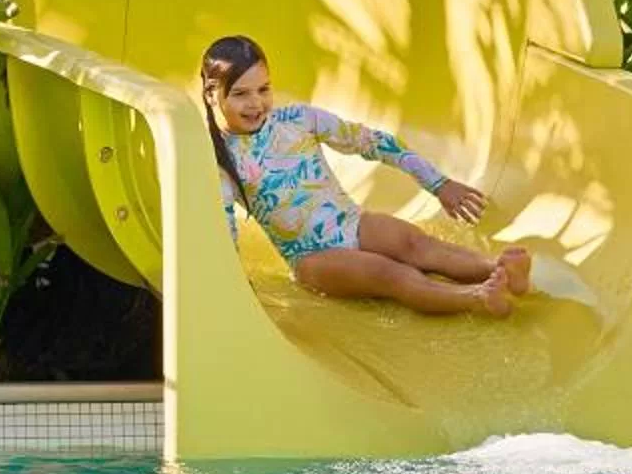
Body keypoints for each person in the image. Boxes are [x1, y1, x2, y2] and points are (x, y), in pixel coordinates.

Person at [200, 34, 530, 317]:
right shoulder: (221, 162)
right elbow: (224, 237)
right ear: (212, 94)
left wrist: (439, 184)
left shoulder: (298, 120)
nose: (256, 103)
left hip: (351, 223)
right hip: (313, 259)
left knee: (416, 243)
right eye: (240, 93)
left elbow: (374, 143)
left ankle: (496, 268)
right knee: (390, 273)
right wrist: (236, 297)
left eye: (263, 89)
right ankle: (477, 298)